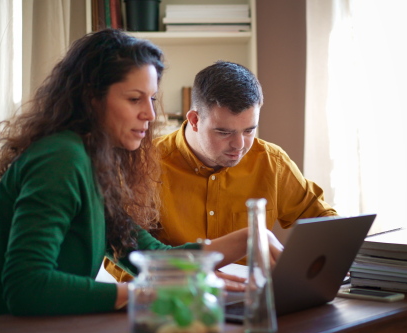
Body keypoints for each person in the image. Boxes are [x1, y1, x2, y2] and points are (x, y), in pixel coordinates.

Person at [0, 29, 282, 321]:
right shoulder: (61, 158)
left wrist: (251, 236)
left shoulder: (91, 162)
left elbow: (149, 254)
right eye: (134, 99)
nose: (150, 114)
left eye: (152, 98)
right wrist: (144, 294)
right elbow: (27, 288)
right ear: (91, 97)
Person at [104, 61, 337, 282]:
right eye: (224, 132)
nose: (240, 145)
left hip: (253, 300)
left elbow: (325, 222)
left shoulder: (271, 162)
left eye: (249, 130)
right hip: (176, 302)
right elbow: (121, 258)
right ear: (194, 120)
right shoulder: (140, 166)